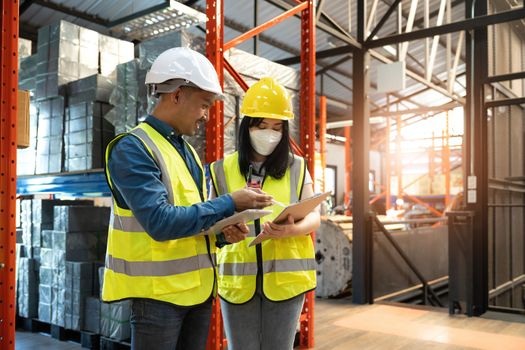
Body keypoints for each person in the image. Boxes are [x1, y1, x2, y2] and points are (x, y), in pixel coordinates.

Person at [101, 47, 274, 350]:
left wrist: (221, 234)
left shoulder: (189, 153)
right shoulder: (132, 149)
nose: (207, 116)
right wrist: (230, 203)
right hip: (158, 299)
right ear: (178, 94)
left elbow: (194, 218)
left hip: (198, 292)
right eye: (204, 104)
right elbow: (160, 222)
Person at [209, 77, 320, 350]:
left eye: (277, 127)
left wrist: (291, 229)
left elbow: (315, 215)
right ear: (247, 126)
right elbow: (209, 220)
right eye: (262, 126)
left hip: (285, 281)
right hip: (237, 279)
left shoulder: (297, 166)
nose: (269, 133)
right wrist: (226, 228)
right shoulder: (222, 169)